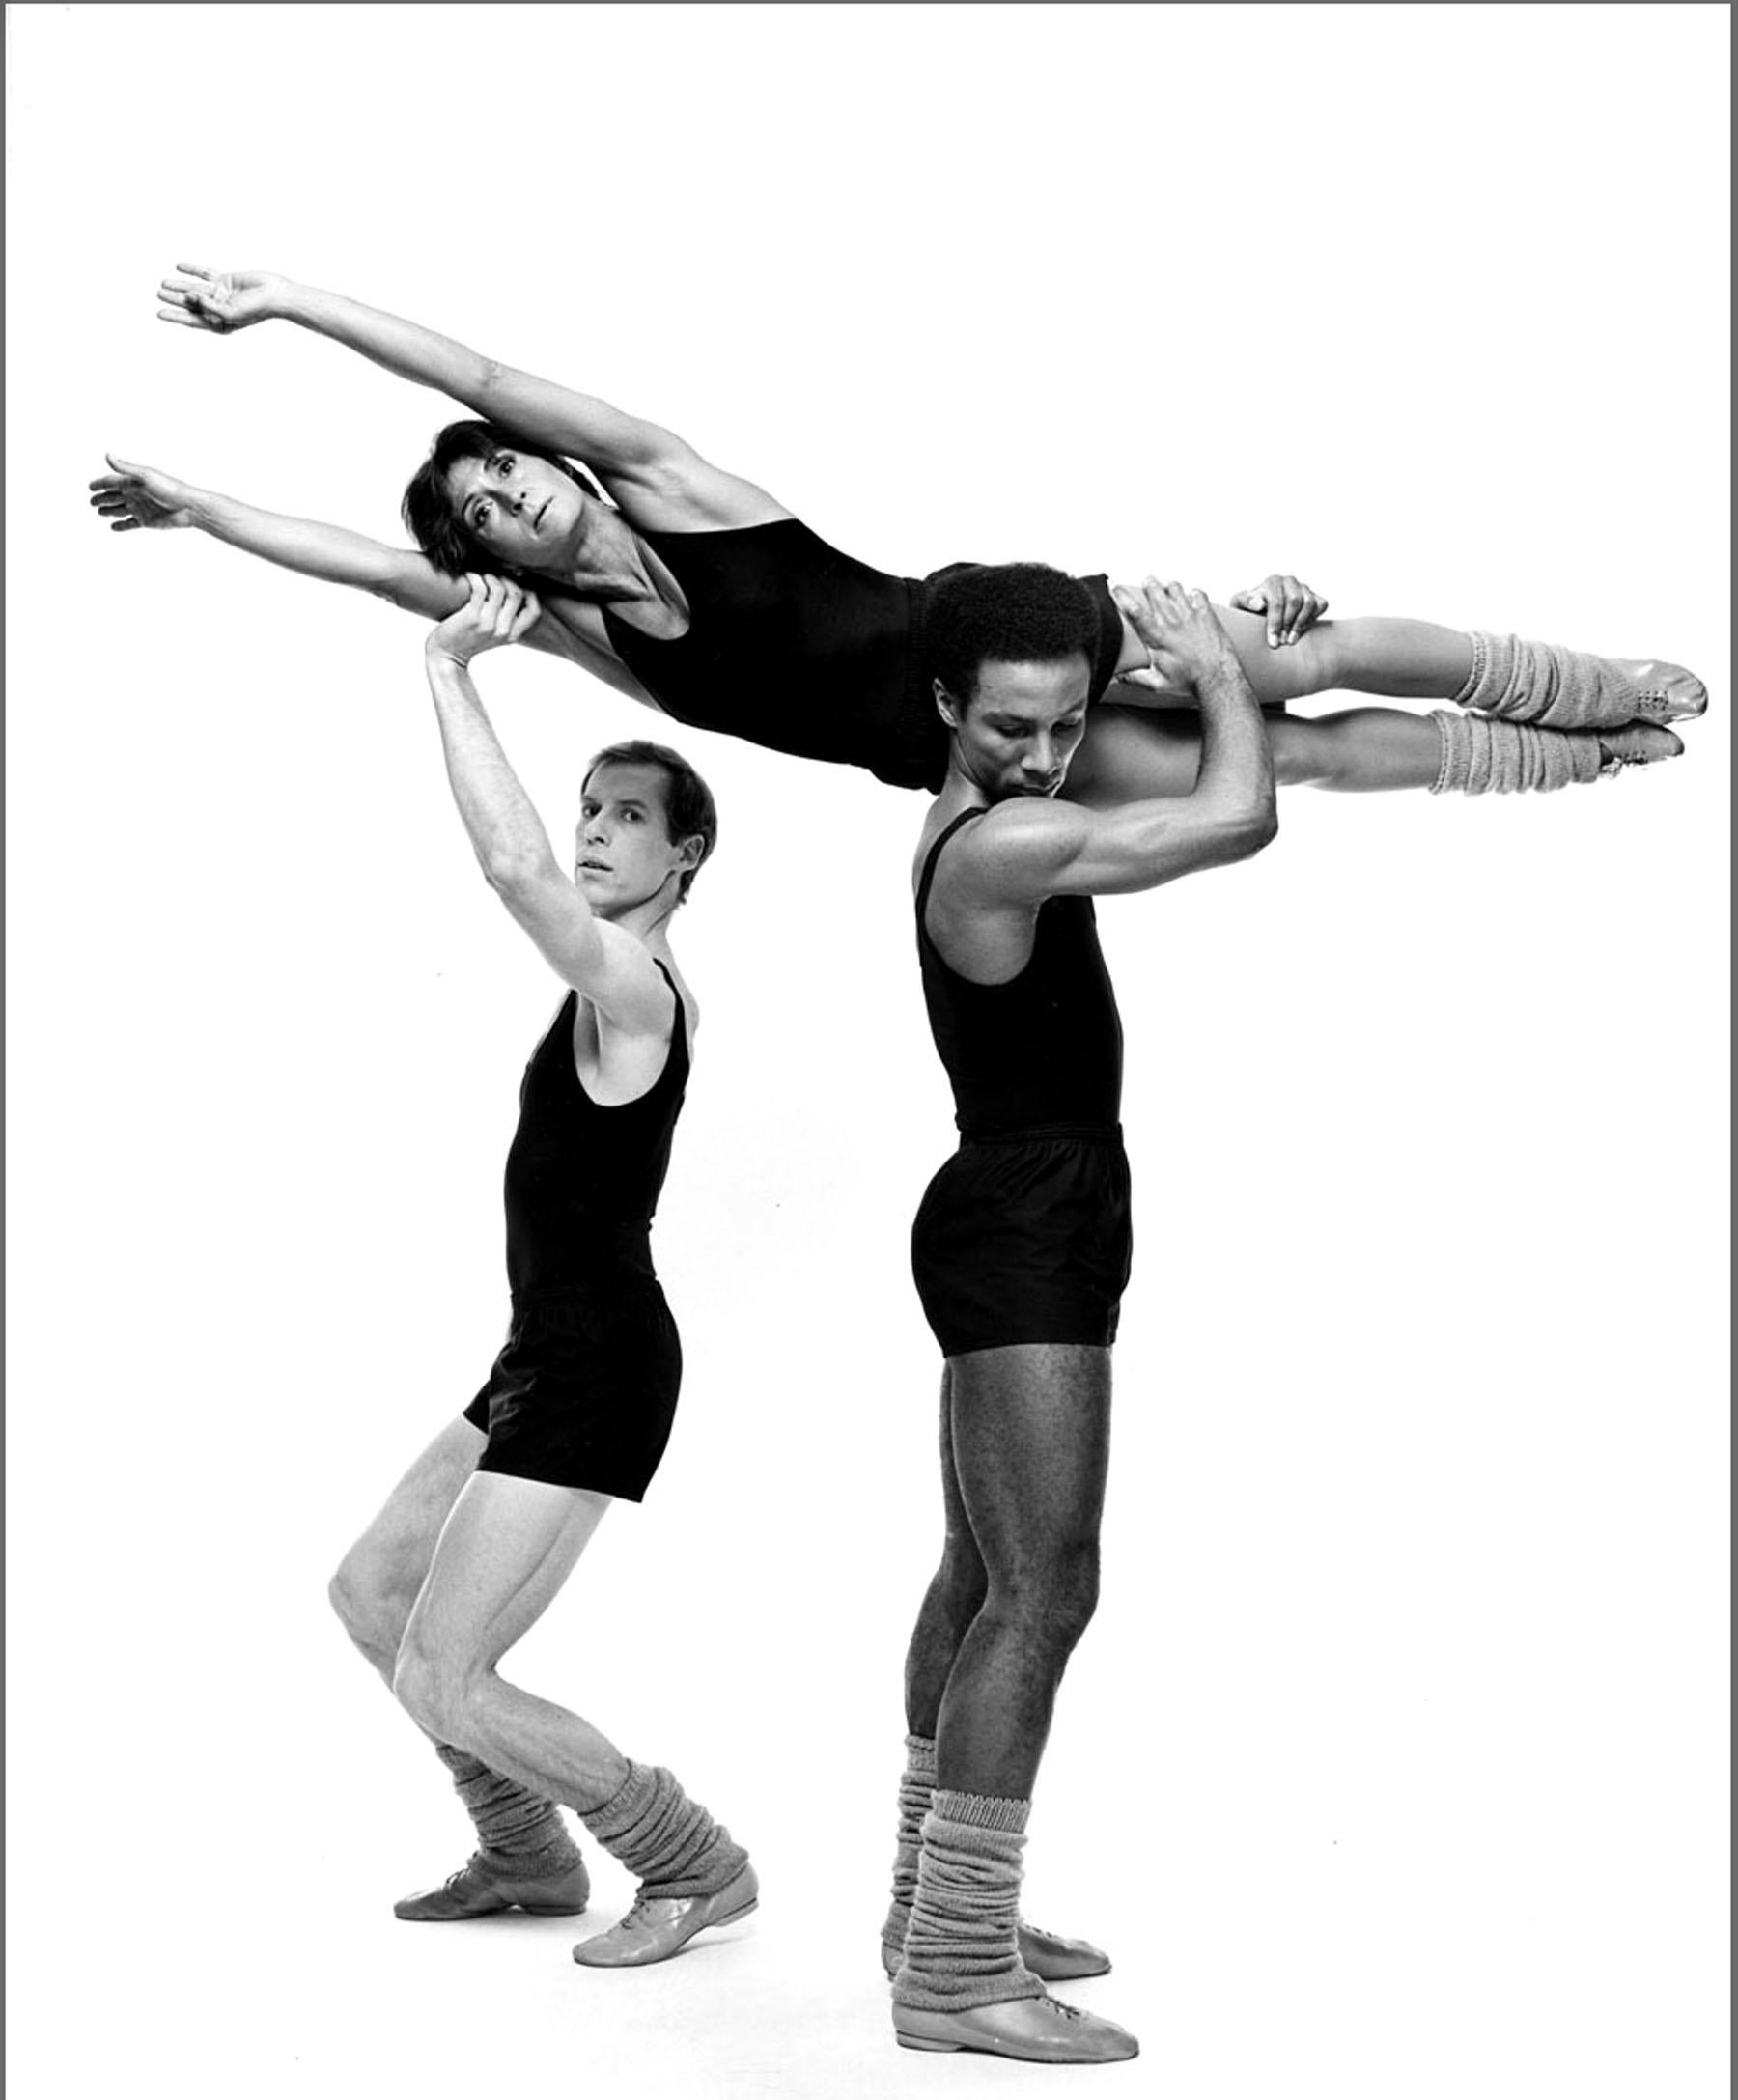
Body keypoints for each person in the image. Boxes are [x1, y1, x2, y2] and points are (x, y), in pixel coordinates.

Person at [89, 265, 1699, 806]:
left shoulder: (669, 477)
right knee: (1301, 766)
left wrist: (288, 301)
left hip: (1007, 623)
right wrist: (199, 511)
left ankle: (1584, 674)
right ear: (492, 553)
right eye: (490, 515)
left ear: (560, 467)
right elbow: (365, 565)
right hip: (965, 754)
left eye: (518, 473)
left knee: (1306, 660)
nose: (521, 498)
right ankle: (1584, 759)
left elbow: (480, 371)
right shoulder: (574, 636)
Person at [327, 573, 756, 1970]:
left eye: (628, 815)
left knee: (451, 1670)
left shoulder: (636, 990)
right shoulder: (599, 988)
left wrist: (450, 671)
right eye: (589, 809)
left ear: (687, 855)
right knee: (373, 1595)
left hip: (598, 1362)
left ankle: (692, 1860)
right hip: (539, 1349)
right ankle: (523, 1849)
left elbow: (512, 874)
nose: (590, 832)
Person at [883, 564, 1281, 2065]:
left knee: (983, 1570)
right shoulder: (1004, 843)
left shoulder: (1005, 806)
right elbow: (1241, 815)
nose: (1044, 756)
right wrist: (1218, 670)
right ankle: (958, 1968)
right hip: (1025, 1222)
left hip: (1025, 1205)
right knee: (1047, 1589)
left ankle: (931, 1909)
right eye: (1008, 726)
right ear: (942, 706)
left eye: (1064, 725)